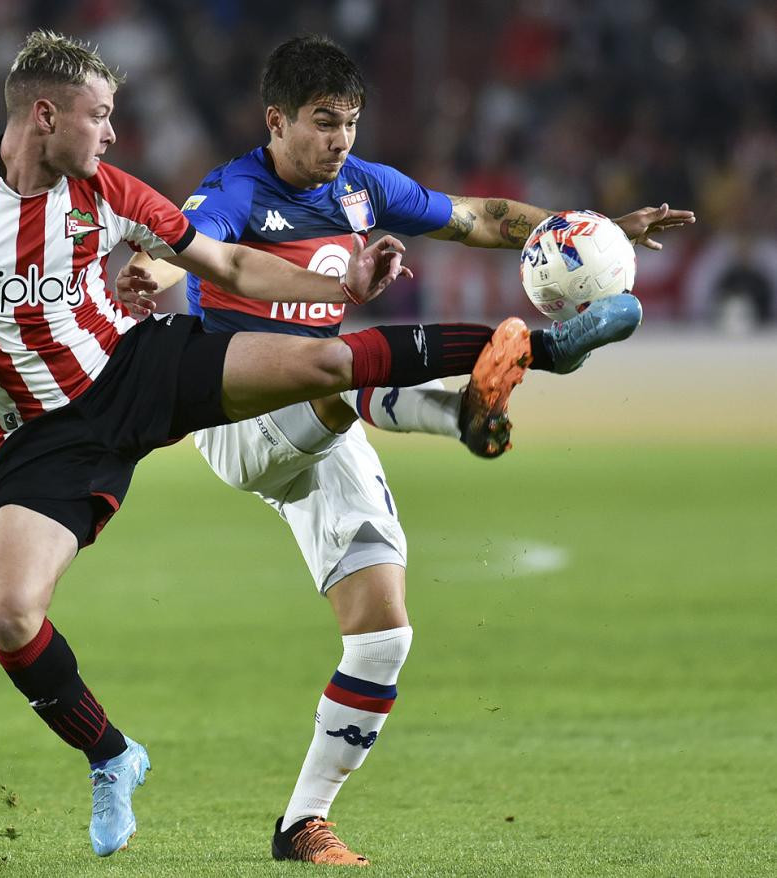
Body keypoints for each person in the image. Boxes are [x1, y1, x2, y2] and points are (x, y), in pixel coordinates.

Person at [0, 30, 626, 860]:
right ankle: (110, 756)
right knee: (10, 614)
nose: (114, 135)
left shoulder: (116, 189)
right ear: (45, 115)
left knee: (319, 368)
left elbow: (219, 261)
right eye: (101, 117)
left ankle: (536, 347)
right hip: (42, 438)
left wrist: (333, 291)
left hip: (137, 372)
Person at [117, 35, 692, 867]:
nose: (340, 140)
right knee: (333, 367)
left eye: (350, 122)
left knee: (382, 637)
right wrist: (148, 269)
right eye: (322, 123)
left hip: (333, 419)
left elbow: (483, 219)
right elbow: (199, 249)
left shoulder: (364, 188)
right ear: (276, 121)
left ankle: (302, 824)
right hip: (237, 416)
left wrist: (595, 235)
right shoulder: (235, 189)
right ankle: (488, 389)